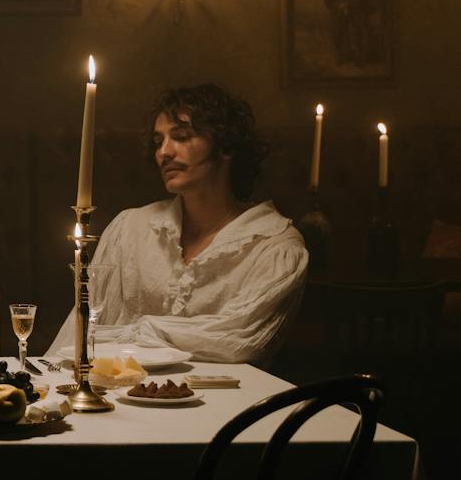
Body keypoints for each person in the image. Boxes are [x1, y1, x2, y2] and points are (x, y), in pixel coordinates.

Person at [45, 84, 308, 365]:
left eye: (182, 137)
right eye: (158, 141)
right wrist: (44, 377)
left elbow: (238, 340)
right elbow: (81, 329)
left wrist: (138, 332)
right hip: (122, 388)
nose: (164, 152)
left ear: (226, 146)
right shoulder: (131, 228)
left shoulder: (273, 244)